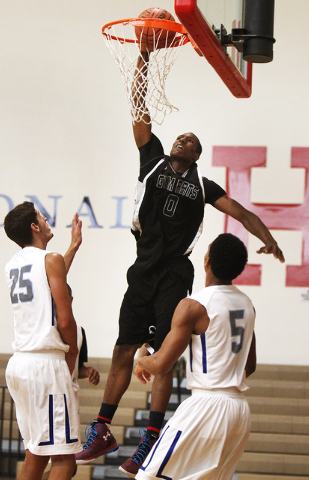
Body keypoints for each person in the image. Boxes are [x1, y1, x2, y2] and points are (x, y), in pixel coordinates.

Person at [75, 50, 284, 475]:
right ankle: (102, 427)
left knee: (159, 352)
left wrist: (269, 239)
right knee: (121, 348)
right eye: (179, 136)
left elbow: (241, 213)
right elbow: (139, 106)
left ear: (197, 154)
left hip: (174, 272)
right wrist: (144, 56)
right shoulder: (151, 160)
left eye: (190, 139)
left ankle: (151, 437)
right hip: (143, 268)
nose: (181, 138)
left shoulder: (203, 185)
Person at [134, 233, 256, 480]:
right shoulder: (247, 304)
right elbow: (249, 366)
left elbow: (160, 364)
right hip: (240, 412)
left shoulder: (194, 305)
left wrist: (141, 360)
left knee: (148, 477)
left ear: (206, 260)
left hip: (206, 405)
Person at [4, 201, 83, 480]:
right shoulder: (50, 259)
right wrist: (72, 353)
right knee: (64, 460)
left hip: (19, 365)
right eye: (41, 216)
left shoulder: (13, 265)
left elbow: (49, 281)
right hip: (45, 366)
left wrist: (73, 247)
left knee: (35, 456)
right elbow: (65, 320)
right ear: (35, 227)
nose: (47, 218)